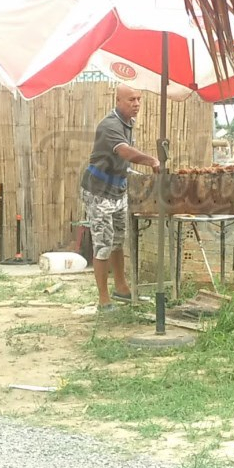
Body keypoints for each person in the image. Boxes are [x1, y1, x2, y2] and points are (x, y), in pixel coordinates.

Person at [79, 87, 159, 310]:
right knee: (103, 244)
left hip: (118, 189)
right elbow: (124, 152)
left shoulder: (128, 122)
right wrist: (152, 161)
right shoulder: (110, 125)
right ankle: (103, 299)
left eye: (139, 99)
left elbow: (121, 160)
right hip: (99, 190)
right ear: (118, 100)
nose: (136, 103)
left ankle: (122, 288)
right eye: (131, 99)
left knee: (118, 241)